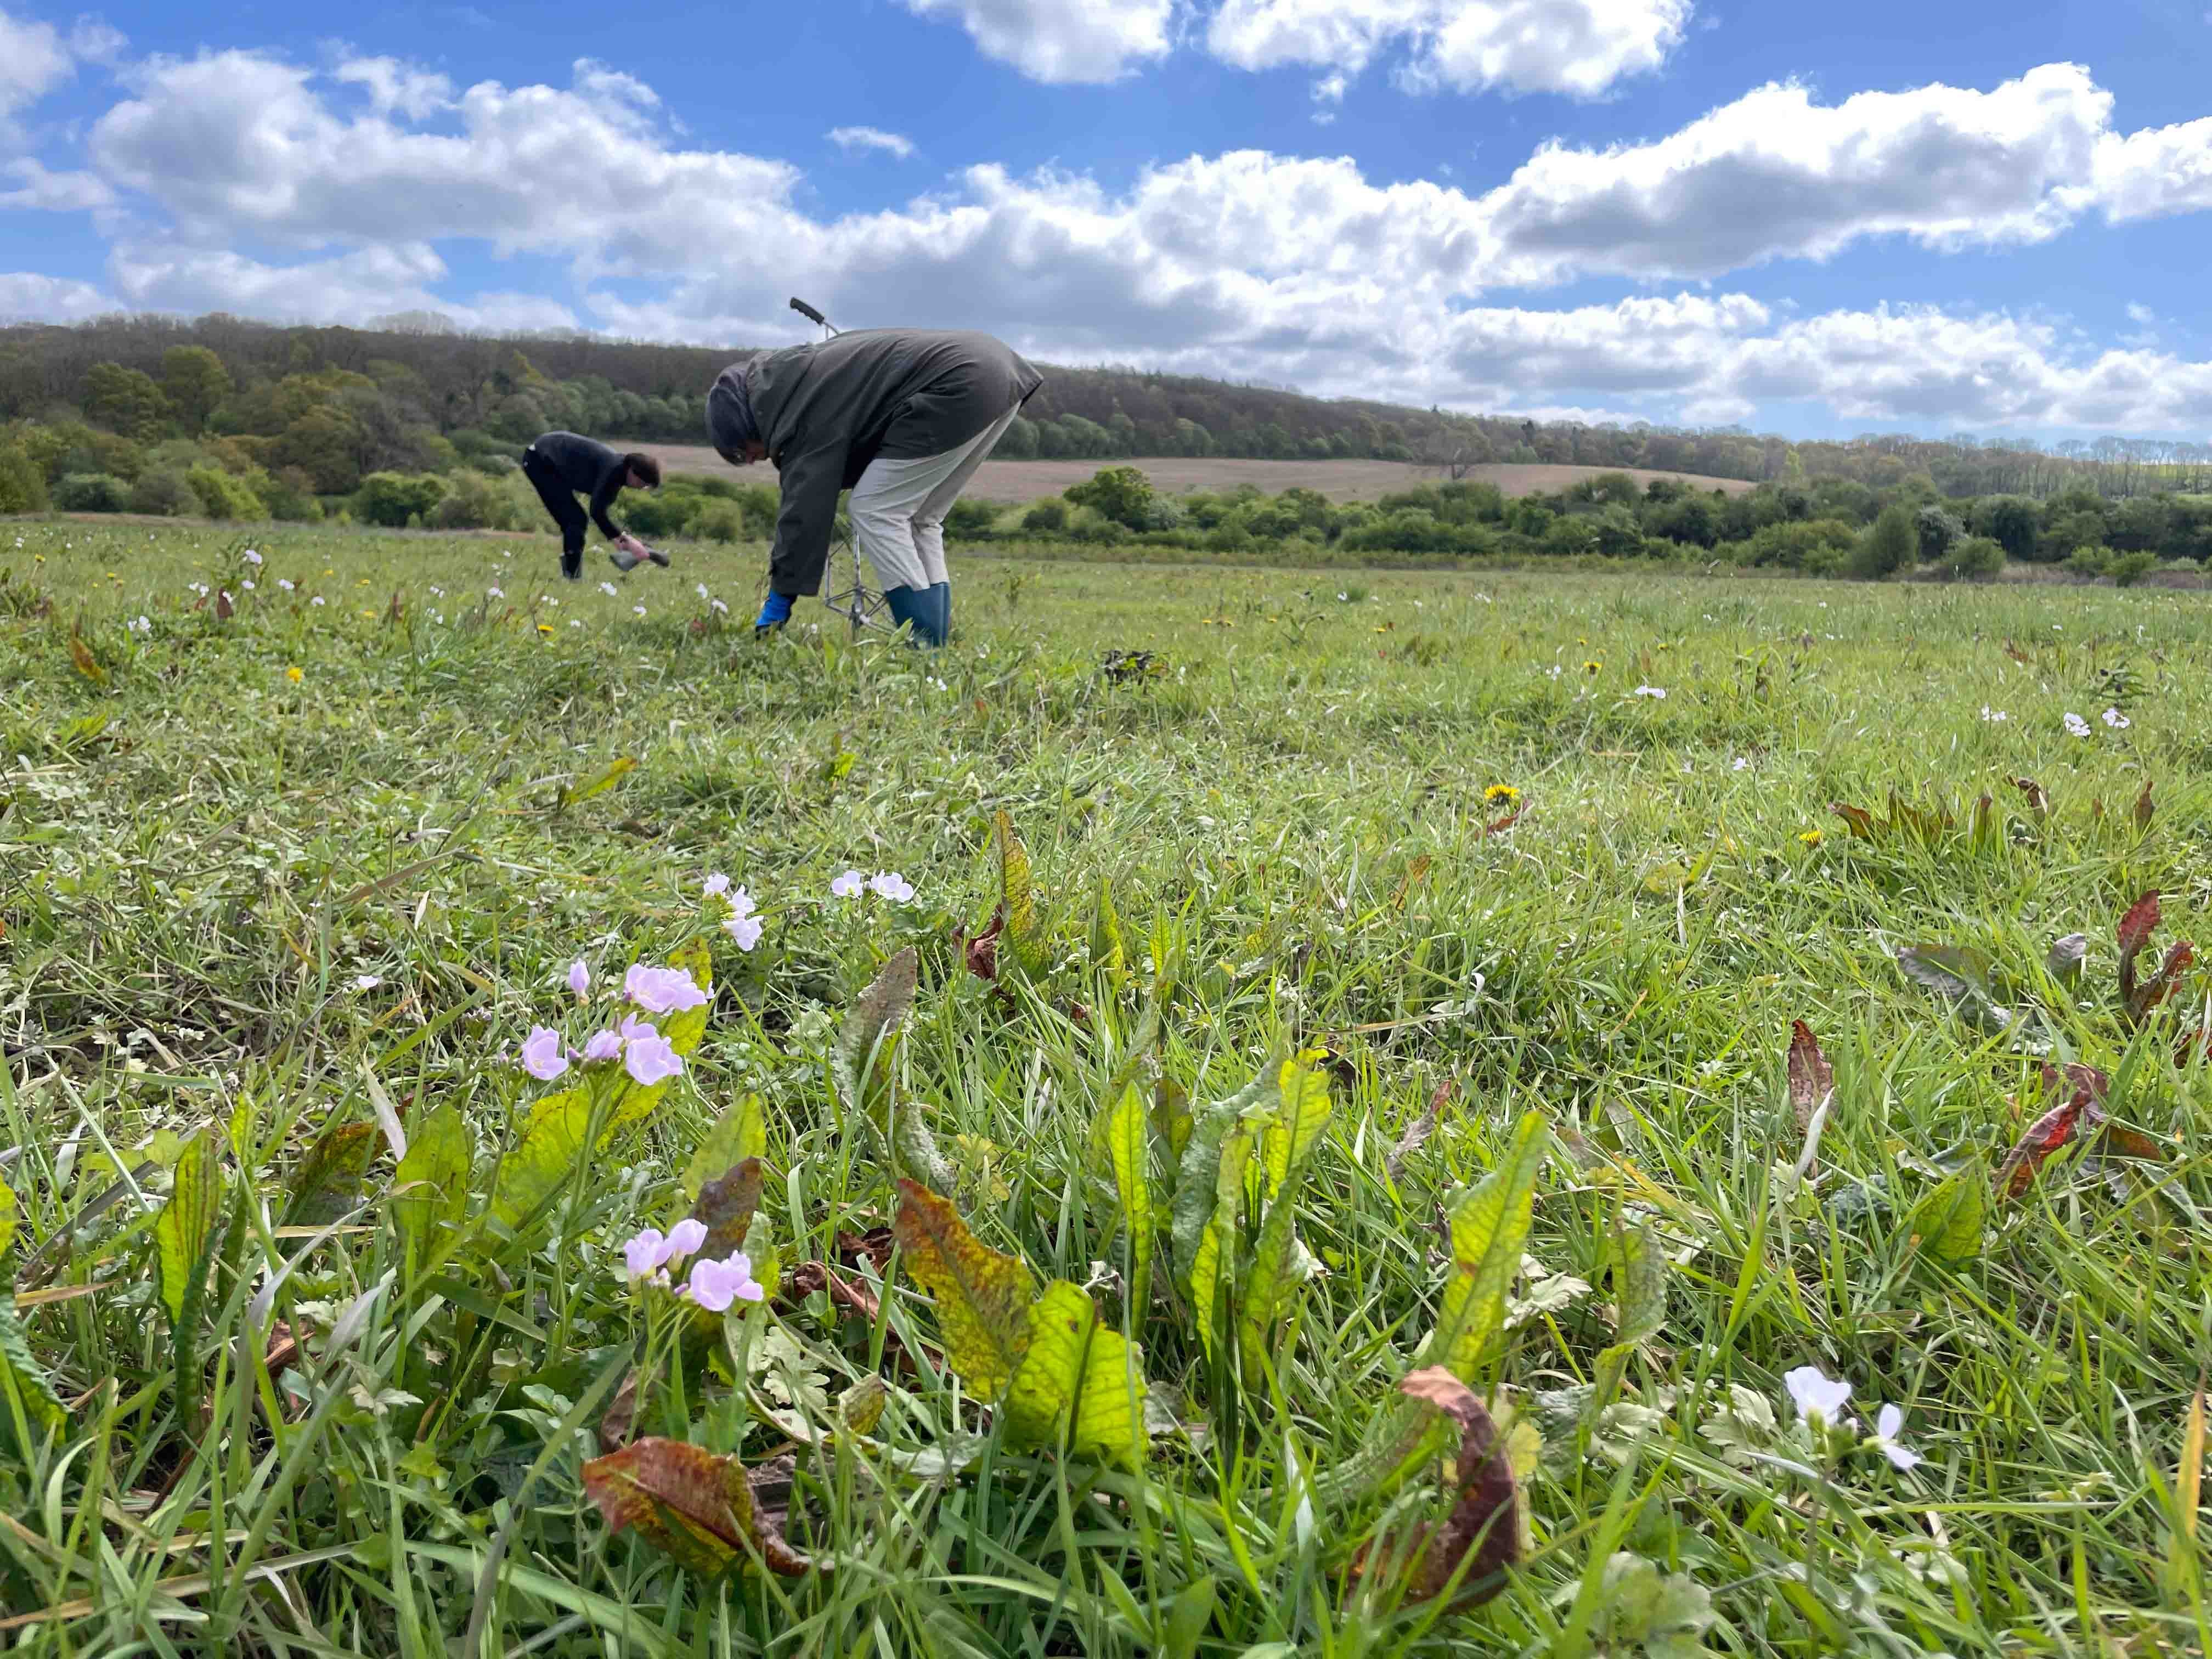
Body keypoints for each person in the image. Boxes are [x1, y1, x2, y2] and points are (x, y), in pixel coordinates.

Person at [704, 329, 1043, 646]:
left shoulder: (796, 410)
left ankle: (924, 646)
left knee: (875, 509)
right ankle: (936, 646)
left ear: (745, 422)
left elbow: (803, 514)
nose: (751, 461)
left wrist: (779, 602)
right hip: (993, 368)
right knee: (922, 518)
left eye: (742, 452)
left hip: (959, 382)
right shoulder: (796, 380)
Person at [520, 433, 667, 580]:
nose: (642, 488)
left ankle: (572, 575)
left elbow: (601, 512)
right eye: (643, 484)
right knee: (575, 520)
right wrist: (621, 539)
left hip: (552, 463)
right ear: (633, 473)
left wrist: (621, 541)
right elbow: (596, 512)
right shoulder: (613, 470)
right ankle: (572, 578)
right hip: (539, 460)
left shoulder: (618, 475)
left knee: (575, 519)